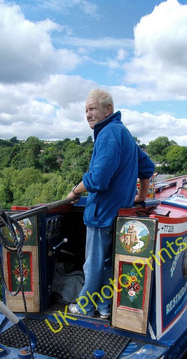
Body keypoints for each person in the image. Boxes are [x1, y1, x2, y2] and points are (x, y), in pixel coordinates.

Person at [67, 89, 155, 319]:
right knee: (107, 264)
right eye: (86, 110)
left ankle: (85, 307)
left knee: (93, 265)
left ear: (108, 110)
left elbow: (98, 179)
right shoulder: (124, 134)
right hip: (119, 215)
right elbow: (147, 168)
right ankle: (105, 308)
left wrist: (74, 191)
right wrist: (141, 196)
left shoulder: (107, 135)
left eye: (92, 108)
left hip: (101, 214)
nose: (88, 114)